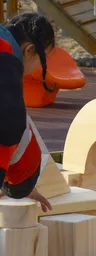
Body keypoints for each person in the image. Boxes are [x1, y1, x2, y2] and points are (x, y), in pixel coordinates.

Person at [0, 13, 55, 211]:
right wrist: (21, 184)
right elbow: (10, 128)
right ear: (30, 50)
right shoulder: (7, 57)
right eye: (43, 58)